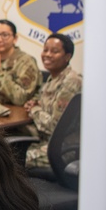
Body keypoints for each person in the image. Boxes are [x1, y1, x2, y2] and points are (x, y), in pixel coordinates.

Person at [23, 33, 83, 169]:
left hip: (63, 149)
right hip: (45, 142)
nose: (48, 55)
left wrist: (34, 110)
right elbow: (45, 104)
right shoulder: (53, 79)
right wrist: (35, 104)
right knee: (6, 150)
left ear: (67, 57)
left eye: (54, 51)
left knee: (12, 160)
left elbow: (54, 126)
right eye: (45, 50)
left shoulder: (71, 82)